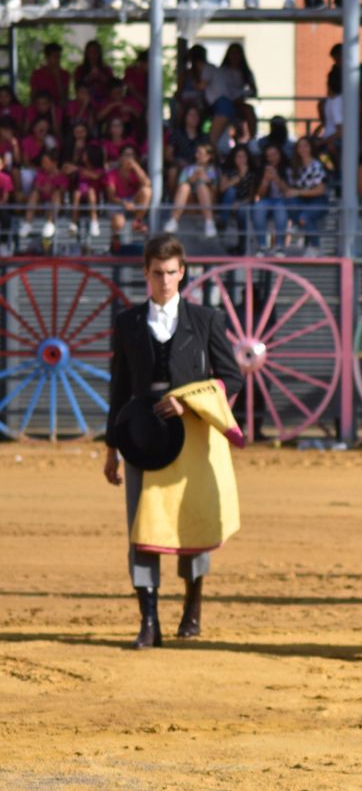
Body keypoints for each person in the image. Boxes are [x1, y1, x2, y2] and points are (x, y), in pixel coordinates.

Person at [104, 236, 245, 648]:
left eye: (171, 273)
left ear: (182, 272)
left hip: (193, 435)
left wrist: (189, 403)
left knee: (190, 523)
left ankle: (191, 608)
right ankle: (149, 620)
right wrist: (111, 447)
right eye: (156, 273)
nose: (164, 281)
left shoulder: (205, 320)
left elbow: (231, 377)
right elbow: (119, 389)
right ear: (145, 273)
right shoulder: (127, 323)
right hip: (142, 436)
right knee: (141, 524)